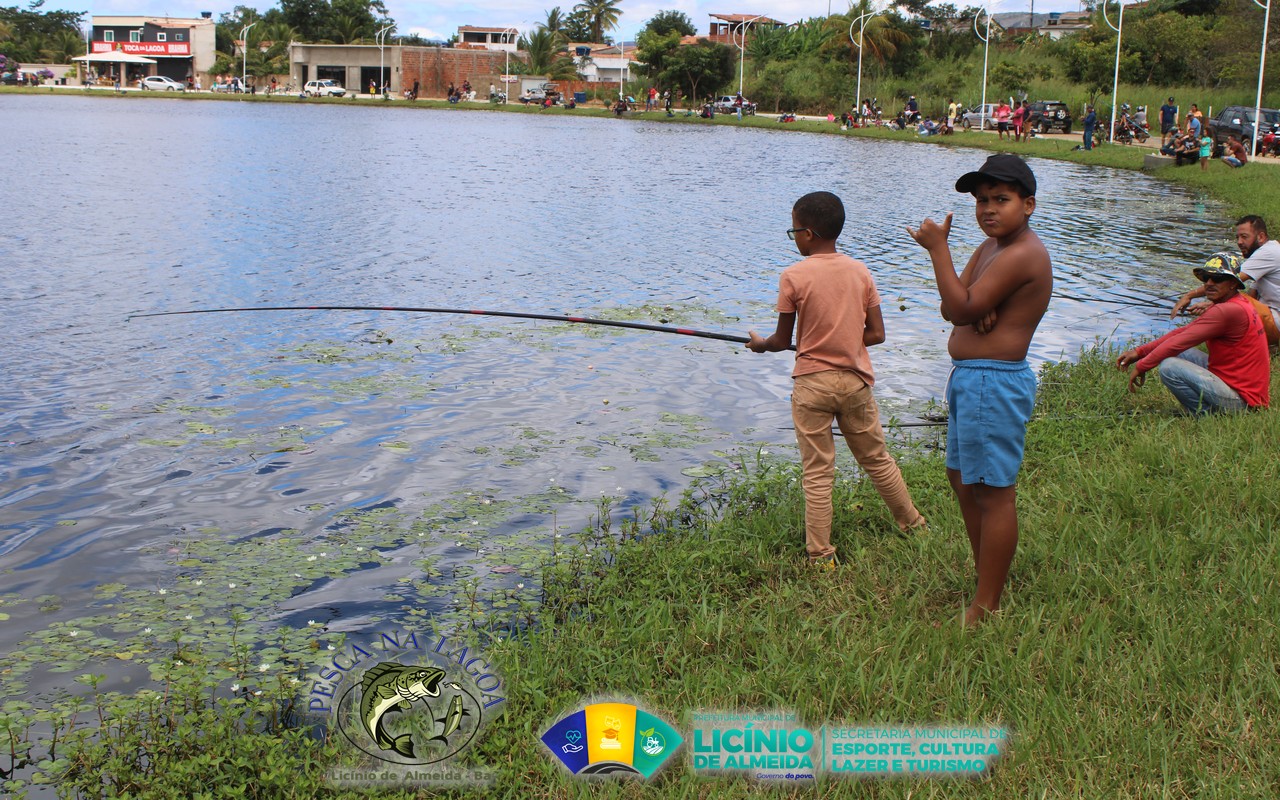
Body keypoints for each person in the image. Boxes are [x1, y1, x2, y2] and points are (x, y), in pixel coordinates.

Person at [906, 154, 1052, 626]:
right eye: (981, 200)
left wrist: (938, 250)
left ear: (1028, 204)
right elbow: (953, 308)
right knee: (962, 478)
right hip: (972, 379)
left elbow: (959, 305)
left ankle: (985, 605)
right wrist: (973, 305)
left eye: (1001, 199)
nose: (988, 209)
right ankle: (988, 571)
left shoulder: (1024, 252)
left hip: (993, 381)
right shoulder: (992, 247)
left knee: (993, 491)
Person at [747, 191, 927, 568]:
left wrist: (761, 345)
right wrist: (844, 340)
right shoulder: (861, 272)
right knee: (877, 459)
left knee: (817, 472)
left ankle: (821, 555)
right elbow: (876, 334)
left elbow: (781, 340)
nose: (794, 237)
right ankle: (914, 525)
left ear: (808, 234)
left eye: (793, 230)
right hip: (855, 383)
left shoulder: (794, 276)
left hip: (812, 385)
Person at [1119, 253, 1269, 414]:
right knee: (1180, 352)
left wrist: (1142, 366)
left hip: (1243, 401)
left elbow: (1178, 342)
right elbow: (1182, 332)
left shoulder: (1228, 310)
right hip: (1236, 384)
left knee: (1169, 367)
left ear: (1233, 283)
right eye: (1206, 278)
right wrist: (1139, 352)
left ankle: (1205, 414)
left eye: (1217, 279)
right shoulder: (1234, 302)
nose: (1209, 283)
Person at [1173, 215, 1280, 333]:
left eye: (1244, 237)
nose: (1239, 242)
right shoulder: (1270, 251)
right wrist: (1212, 304)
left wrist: (1189, 296)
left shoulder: (1268, 252)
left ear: (1261, 237)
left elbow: (1229, 280)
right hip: (1272, 314)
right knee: (1233, 300)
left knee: (1234, 301)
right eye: (1237, 237)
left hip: (1276, 317)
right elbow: (1252, 294)